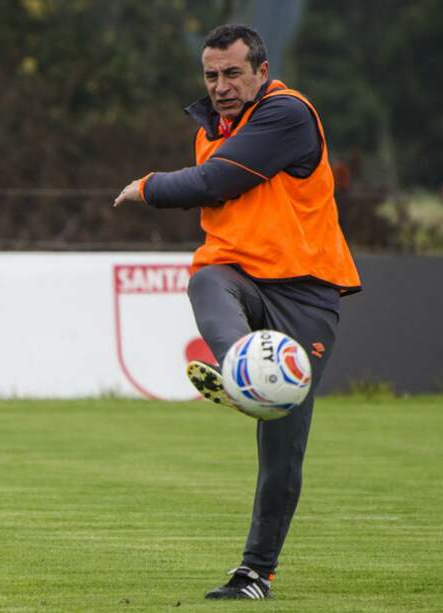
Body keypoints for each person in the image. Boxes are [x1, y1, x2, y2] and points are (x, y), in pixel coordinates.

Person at [113, 24, 361, 600]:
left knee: (282, 442)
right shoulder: (214, 128)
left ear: (261, 70)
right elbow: (215, 183)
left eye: (231, 73)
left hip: (305, 294)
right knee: (205, 278)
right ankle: (240, 369)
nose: (220, 85)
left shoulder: (287, 114)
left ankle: (255, 573)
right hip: (243, 277)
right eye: (211, 74)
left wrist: (146, 187)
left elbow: (216, 182)